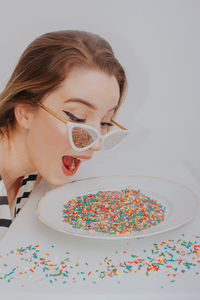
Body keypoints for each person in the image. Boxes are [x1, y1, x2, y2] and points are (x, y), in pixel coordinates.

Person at [0, 30, 128, 238]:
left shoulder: (36, 169)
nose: (95, 144)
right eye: (77, 118)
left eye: (105, 122)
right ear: (25, 112)